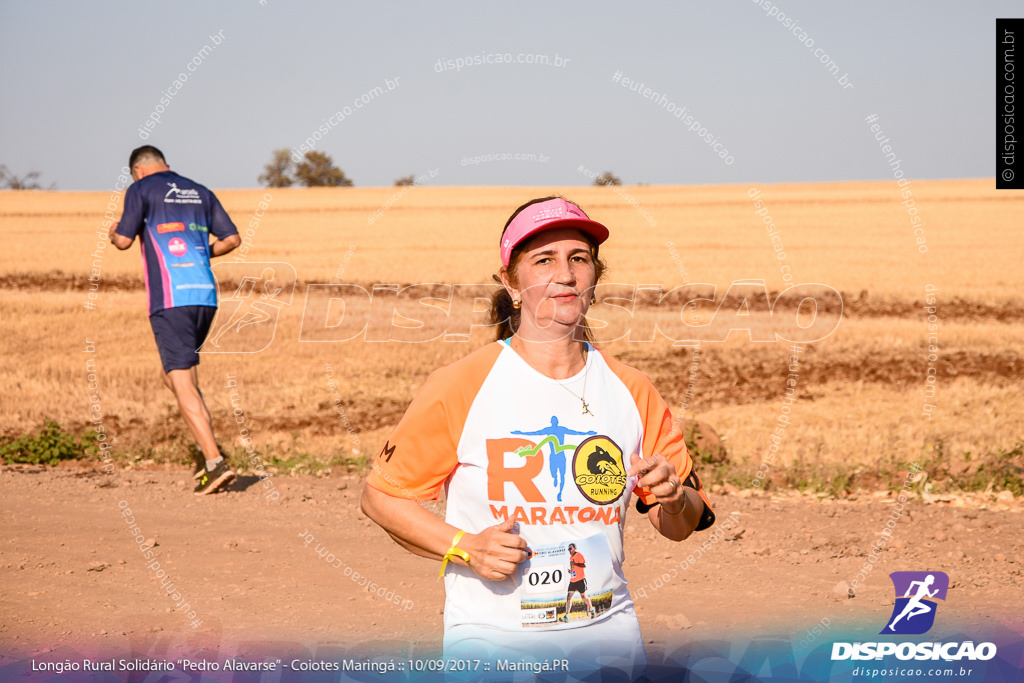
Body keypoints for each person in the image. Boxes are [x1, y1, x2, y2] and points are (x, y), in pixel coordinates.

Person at [361, 196, 716, 680]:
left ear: (595, 277)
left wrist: (674, 498)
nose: (564, 275)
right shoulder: (462, 384)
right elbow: (382, 497)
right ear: (510, 282)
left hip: (609, 641)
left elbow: (679, 524)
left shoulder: (632, 389)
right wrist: (466, 546)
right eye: (543, 260)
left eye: (579, 258)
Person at [109, 145, 241, 495]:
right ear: (163, 164)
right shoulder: (199, 190)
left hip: (171, 299)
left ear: (137, 170)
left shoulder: (140, 190)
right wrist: (201, 252)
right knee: (179, 378)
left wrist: (112, 231)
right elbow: (232, 239)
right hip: (205, 296)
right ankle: (207, 449)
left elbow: (122, 241)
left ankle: (214, 463)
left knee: (181, 382)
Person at [562, 543, 594, 622]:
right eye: (568, 549)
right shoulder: (571, 558)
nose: (569, 550)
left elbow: (584, 565)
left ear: (575, 548)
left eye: (571, 548)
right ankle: (566, 616)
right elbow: (574, 568)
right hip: (573, 580)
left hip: (580, 580)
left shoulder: (579, 555)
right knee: (568, 597)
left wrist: (575, 564)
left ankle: (591, 609)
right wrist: (571, 571)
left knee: (583, 597)